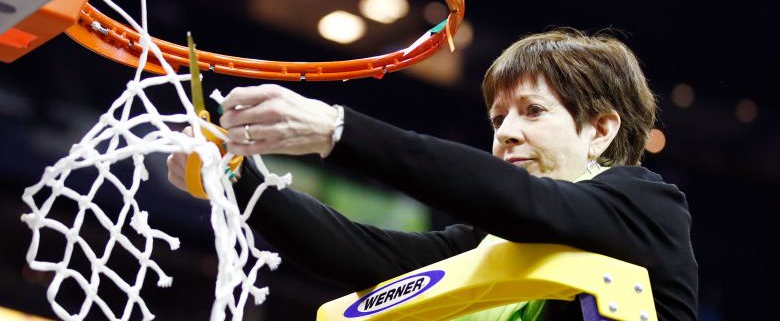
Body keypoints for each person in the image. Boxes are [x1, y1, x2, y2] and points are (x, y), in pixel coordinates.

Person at [167, 29, 698, 320]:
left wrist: (338, 130)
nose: (506, 133)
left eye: (533, 111)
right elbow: (367, 258)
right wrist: (237, 178)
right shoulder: (493, 244)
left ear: (600, 129)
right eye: (498, 120)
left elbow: (519, 200)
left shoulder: (649, 209)